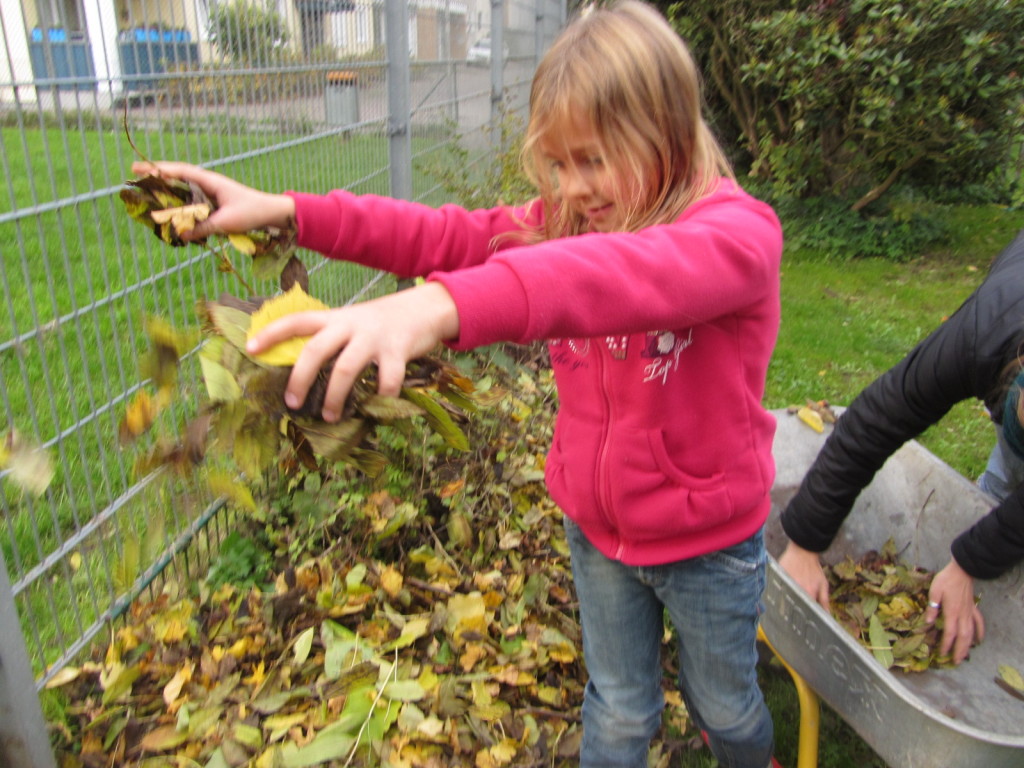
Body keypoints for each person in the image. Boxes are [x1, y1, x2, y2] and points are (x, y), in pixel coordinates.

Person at [135, 3, 783, 765]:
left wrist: (442, 304)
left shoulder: (737, 239)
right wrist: (288, 213)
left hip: (707, 543)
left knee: (726, 707)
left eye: (595, 160)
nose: (572, 189)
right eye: (558, 164)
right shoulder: (572, 219)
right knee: (618, 708)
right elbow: (440, 233)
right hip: (600, 532)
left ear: (668, 133)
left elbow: (615, 279)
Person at [779, 228, 1024, 665]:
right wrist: (803, 544)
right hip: (1007, 316)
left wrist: (968, 563)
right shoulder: (978, 336)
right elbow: (876, 420)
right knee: (1007, 475)